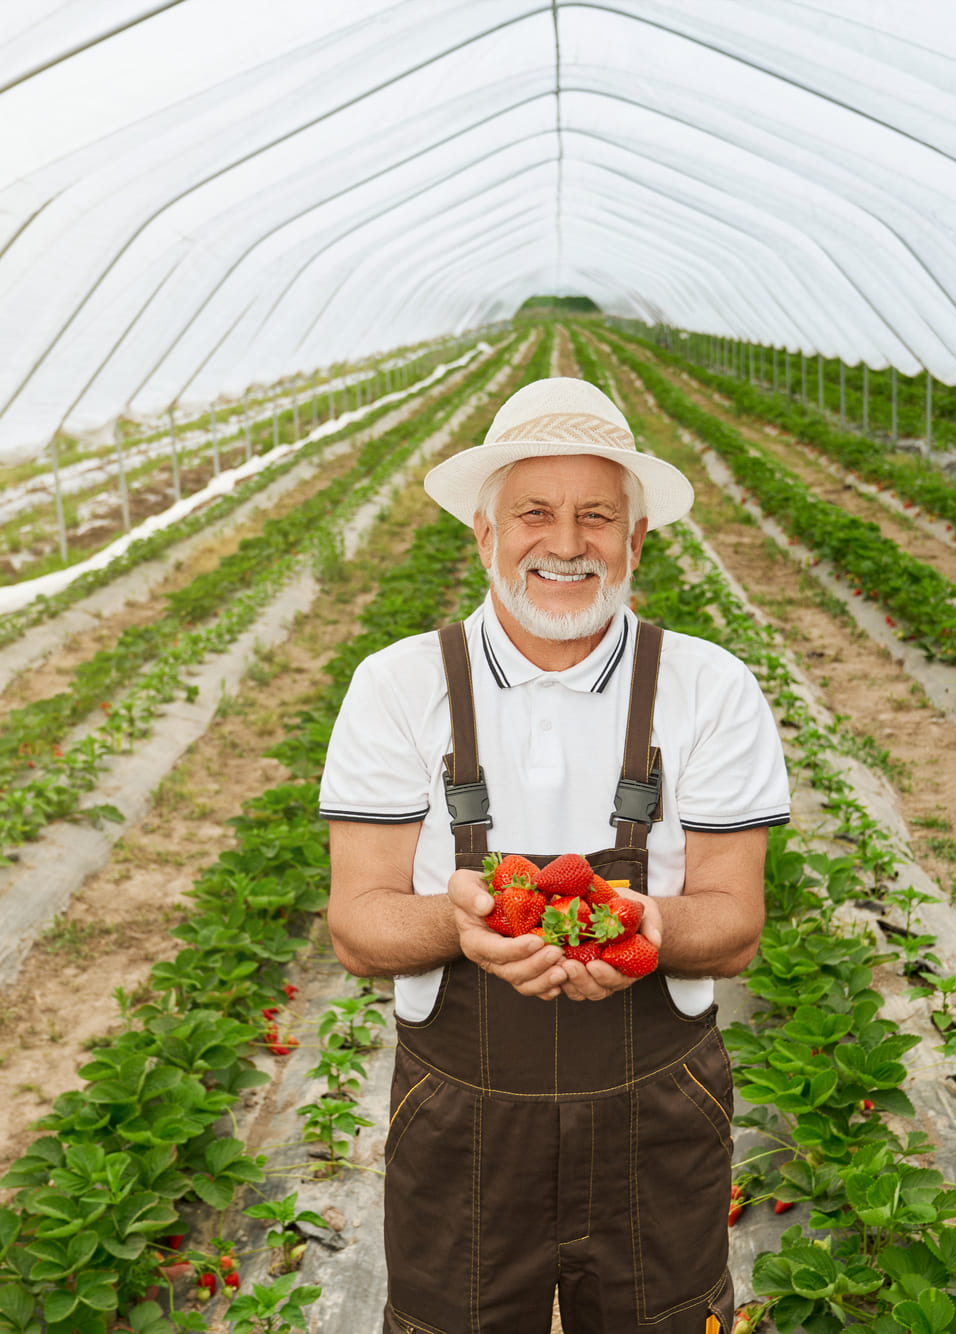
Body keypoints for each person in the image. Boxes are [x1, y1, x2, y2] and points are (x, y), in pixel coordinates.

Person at [319, 376, 790, 1333]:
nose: (567, 543)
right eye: (535, 513)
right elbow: (360, 927)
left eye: (597, 517)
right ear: (487, 535)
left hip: (656, 1113)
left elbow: (735, 925)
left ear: (636, 540)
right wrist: (459, 922)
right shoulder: (399, 686)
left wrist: (646, 925)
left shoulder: (710, 687)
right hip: (462, 1122)